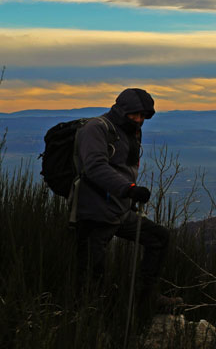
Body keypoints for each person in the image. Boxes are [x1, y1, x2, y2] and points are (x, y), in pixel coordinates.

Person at [72, 88, 181, 309]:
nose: (139, 120)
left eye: (143, 116)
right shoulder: (96, 129)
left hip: (118, 210)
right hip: (94, 213)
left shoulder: (131, 131)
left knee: (159, 238)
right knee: (92, 275)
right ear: (122, 110)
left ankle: (146, 299)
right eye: (135, 115)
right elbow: (94, 167)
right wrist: (129, 189)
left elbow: (124, 167)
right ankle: (90, 320)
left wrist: (128, 196)